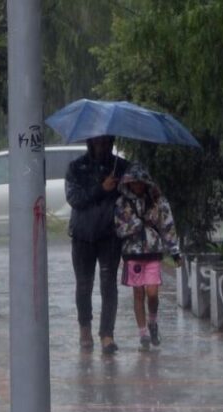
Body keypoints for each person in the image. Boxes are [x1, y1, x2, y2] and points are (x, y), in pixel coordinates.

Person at [65, 135, 129, 354]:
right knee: (84, 284)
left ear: (111, 142)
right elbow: (75, 198)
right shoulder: (76, 167)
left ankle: (107, 334)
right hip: (82, 235)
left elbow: (132, 197)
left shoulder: (121, 167)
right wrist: (101, 188)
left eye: (105, 141)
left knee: (108, 284)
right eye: (96, 142)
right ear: (90, 142)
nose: (101, 146)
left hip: (110, 235)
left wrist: (121, 187)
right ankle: (85, 327)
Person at [113, 164, 182, 351]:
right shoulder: (122, 203)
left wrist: (174, 250)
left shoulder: (157, 201)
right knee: (138, 293)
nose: (137, 186)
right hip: (132, 253)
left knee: (152, 293)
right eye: (133, 183)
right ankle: (142, 333)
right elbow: (119, 228)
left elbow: (167, 225)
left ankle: (152, 322)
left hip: (153, 252)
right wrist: (135, 225)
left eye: (140, 182)